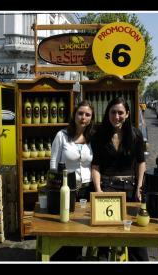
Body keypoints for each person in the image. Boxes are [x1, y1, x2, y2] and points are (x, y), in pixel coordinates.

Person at [91, 97, 149, 261]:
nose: (117, 116)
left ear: (127, 114)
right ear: (108, 113)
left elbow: (141, 163)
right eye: (113, 112)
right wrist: (99, 191)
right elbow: (95, 166)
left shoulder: (135, 134)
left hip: (130, 189)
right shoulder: (99, 135)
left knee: (135, 235)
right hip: (107, 188)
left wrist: (139, 187)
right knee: (105, 234)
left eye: (120, 112)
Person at [49, 100, 95, 261]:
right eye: (80, 113)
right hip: (67, 187)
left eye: (87, 114)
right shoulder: (62, 136)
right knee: (66, 223)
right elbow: (53, 162)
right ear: (74, 115)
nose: (83, 117)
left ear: (91, 118)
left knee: (83, 224)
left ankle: (77, 256)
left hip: (87, 188)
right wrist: (55, 185)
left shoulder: (92, 137)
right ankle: (65, 256)